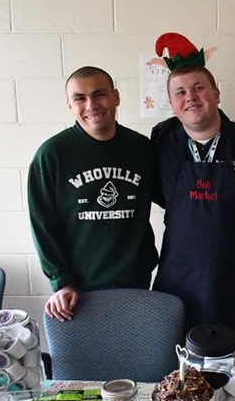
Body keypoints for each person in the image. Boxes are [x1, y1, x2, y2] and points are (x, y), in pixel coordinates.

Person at [150, 59, 235, 345]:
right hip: (179, 280)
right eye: (181, 92)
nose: (191, 97)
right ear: (172, 104)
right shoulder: (161, 143)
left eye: (199, 88)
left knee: (232, 375)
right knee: (180, 379)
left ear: (217, 93)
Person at [28, 66, 158, 321]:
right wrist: (60, 280)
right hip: (78, 286)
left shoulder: (141, 148)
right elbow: (42, 225)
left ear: (116, 97)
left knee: (135, 353)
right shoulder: (52, 154)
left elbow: (174, 200)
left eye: (99, 94)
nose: (91, 105)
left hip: (136, 279)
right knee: (88, 359)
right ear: (69, 105)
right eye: (80, 98)